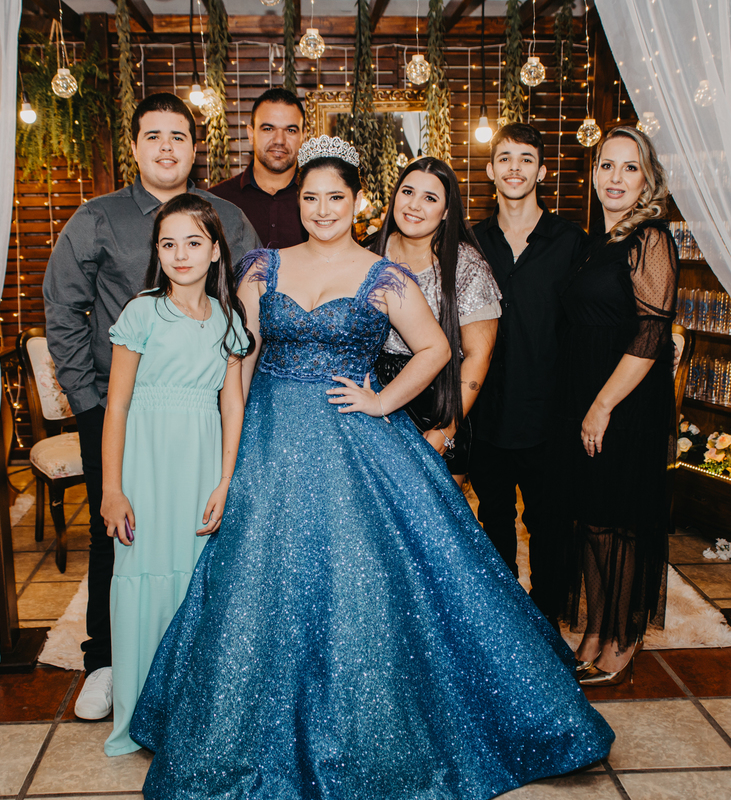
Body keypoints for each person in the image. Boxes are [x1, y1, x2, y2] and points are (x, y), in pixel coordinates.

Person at [127, 136, 613, 799]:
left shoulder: (385, 277)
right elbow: (237, 372)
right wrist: (228, 467)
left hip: (355, 443)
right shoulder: (262, 269)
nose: (322, 209)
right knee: (256, 584)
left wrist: (382, 400)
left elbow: (436, 348)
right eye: (311, 198)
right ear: (298, 202)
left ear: (358, 202)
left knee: (369, 581)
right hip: (270, 443)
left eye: (336, 197)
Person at [43, 92, 259, 721]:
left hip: (201, 408)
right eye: (153, 136)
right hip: (116, 406)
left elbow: (249, 302)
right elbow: (64, 308)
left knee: (200, 534)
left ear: (195, 148)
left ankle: (198, 664)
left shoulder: (228, 218)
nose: (166, 147)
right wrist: (87, 399)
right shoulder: (97, 217)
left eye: (178, 136)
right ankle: (107, 661)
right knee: (116, 530)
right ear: (134, 147)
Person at [99, 194, 249, 755]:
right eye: (168, 244)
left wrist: (226, 481)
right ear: (157, 253)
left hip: (202, 464)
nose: (180, 254)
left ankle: (191, 719)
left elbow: (232, 405)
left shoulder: (228, 321)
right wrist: (112, 489)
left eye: (193, 242)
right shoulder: (142, 313)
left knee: (195, 583)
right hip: (147, 465)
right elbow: (116, 406)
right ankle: (139, 716)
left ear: (215, 252)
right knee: (144, 574)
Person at [555, 126, 677, 687]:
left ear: (647, 179)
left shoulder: (650, 238)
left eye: (630, 168)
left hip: (622, 402)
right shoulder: (596, 242)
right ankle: (595, 632)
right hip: (584, 393)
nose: (616, 177)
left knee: (618, 522)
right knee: (591, 520)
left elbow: (651, 334)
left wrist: (601, 406)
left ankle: (622, 640)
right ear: (594, 172)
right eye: (607, 165)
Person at [469, 123, 585, 616]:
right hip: (487, 411)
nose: (514, 168)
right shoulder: (470, 241)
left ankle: (548, 619)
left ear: (543, 171)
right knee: (492, 518)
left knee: (550, 523)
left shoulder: (572, 242)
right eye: (505, 158)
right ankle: (506, 621)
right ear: (490, 170)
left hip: (550, 412)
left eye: (526, 159)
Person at [368, 156, 500, 484]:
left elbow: (479, 355)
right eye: (407, 192)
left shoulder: (466, 265)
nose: (414, 205)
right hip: (374, 400)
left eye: (429, 198)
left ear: (446, 211)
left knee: (436, 512)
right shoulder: (368, 253)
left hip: (438, 403)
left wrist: (448, 429)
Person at [209, 88, 307, 249]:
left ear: (303, 136)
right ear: (251, 134)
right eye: (268, 129)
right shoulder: (217, 201)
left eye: (290, 130)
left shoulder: (319, 202)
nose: (279, 140)